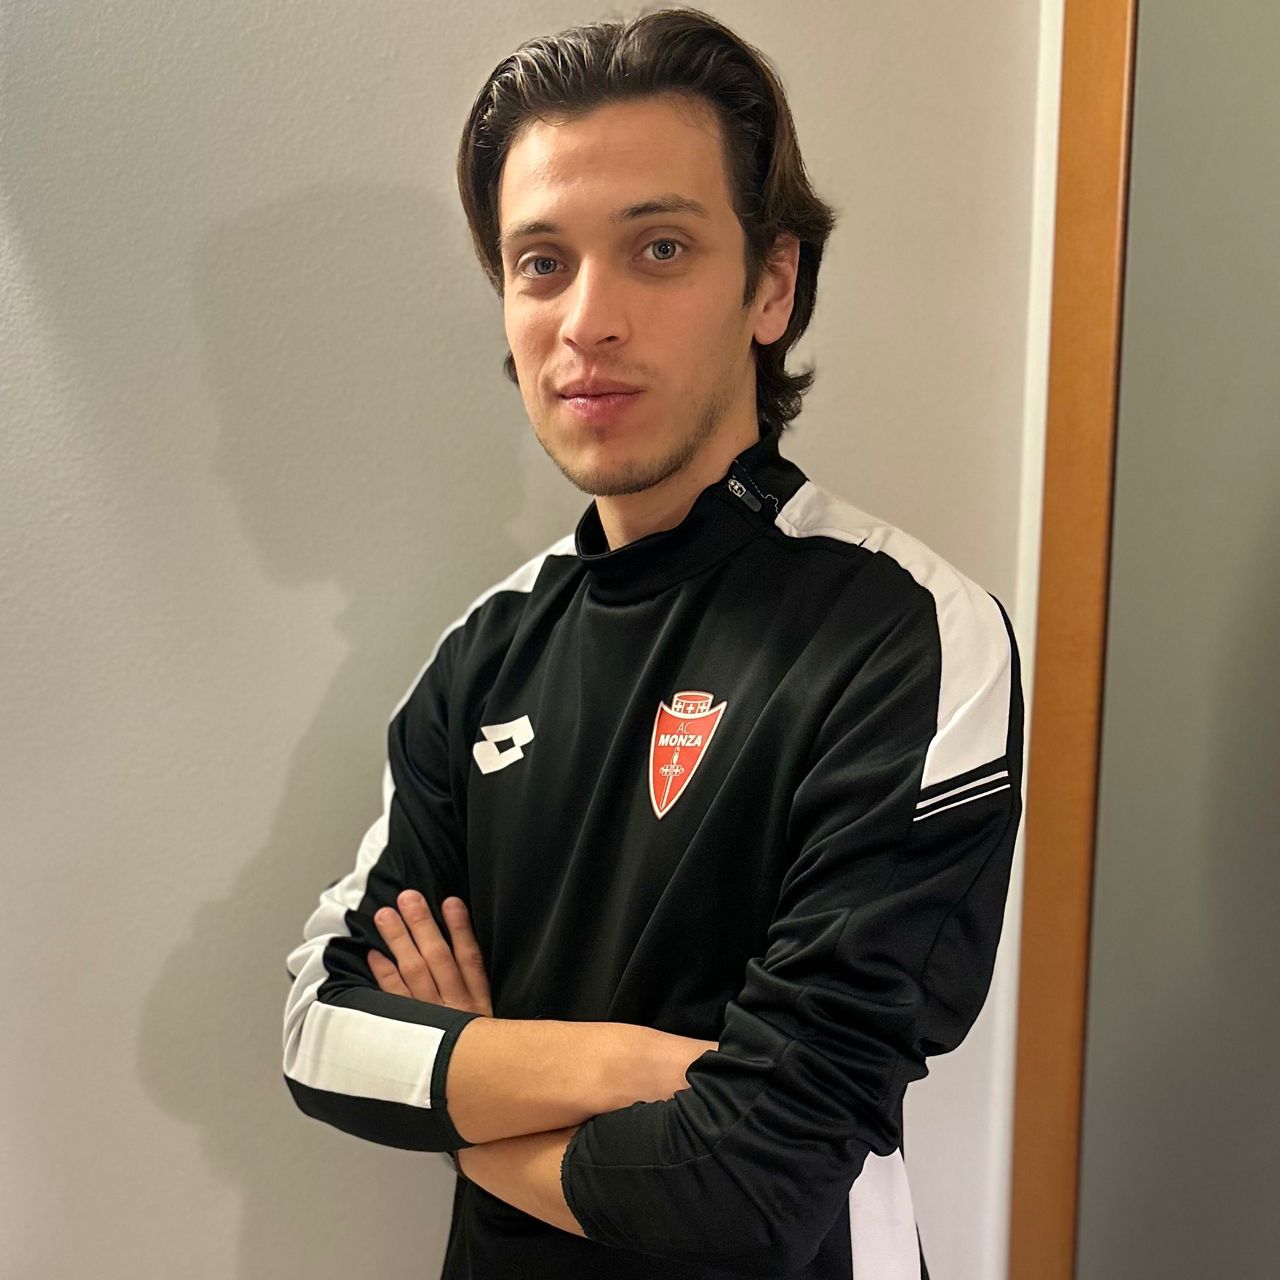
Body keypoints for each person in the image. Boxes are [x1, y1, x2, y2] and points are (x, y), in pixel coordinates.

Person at [281, 8, 1023, 1278]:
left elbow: (749, 1185)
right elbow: (319, 1032)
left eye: (659, 248)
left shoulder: (907, 634)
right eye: (540, 262)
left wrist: (467, 1095)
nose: (588, 319)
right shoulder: (480, 656)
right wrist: (630, 1064)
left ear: (770, 284)